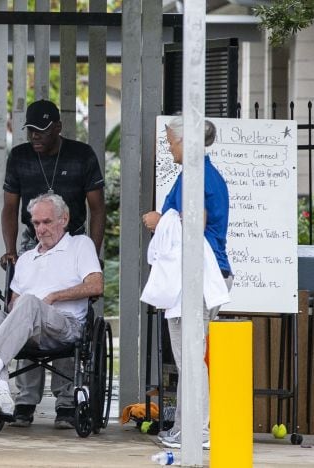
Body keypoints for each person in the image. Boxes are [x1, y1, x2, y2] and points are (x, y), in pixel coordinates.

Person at [0, 99, 106, 428]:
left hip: (71, 237)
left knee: (63, 310)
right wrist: (11, 250)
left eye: (42, 131)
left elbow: (97, 208)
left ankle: (64, 401)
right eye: (31, 130)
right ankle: (25, 400)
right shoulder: (19, 156)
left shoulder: (81, 155)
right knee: (26, 306)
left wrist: (91, 252)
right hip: (32, 240)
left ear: (58, 128)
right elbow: (8, 208)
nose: (35, 136)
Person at [0, 194, 103, 419]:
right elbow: (14, 301)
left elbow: (96, 285)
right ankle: (2, 389)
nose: (41, 229)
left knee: (29, 301)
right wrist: (21, 307)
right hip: (29, 328)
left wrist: (54, 296)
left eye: (47, 222)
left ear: (64, 219)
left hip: (66, 324)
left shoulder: (80, 245)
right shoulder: (25, 259)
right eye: (36, 223)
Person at [141, 117, 233, 450]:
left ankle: (199, 431)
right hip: (199, 275)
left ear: (186, 142)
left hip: (199, 276)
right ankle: (185, 429)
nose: (168, 147)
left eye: (171, 142)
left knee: (191, 358)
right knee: (189, 357)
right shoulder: (197, 174)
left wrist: (158, 220)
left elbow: (193, 225)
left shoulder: (197, 176)